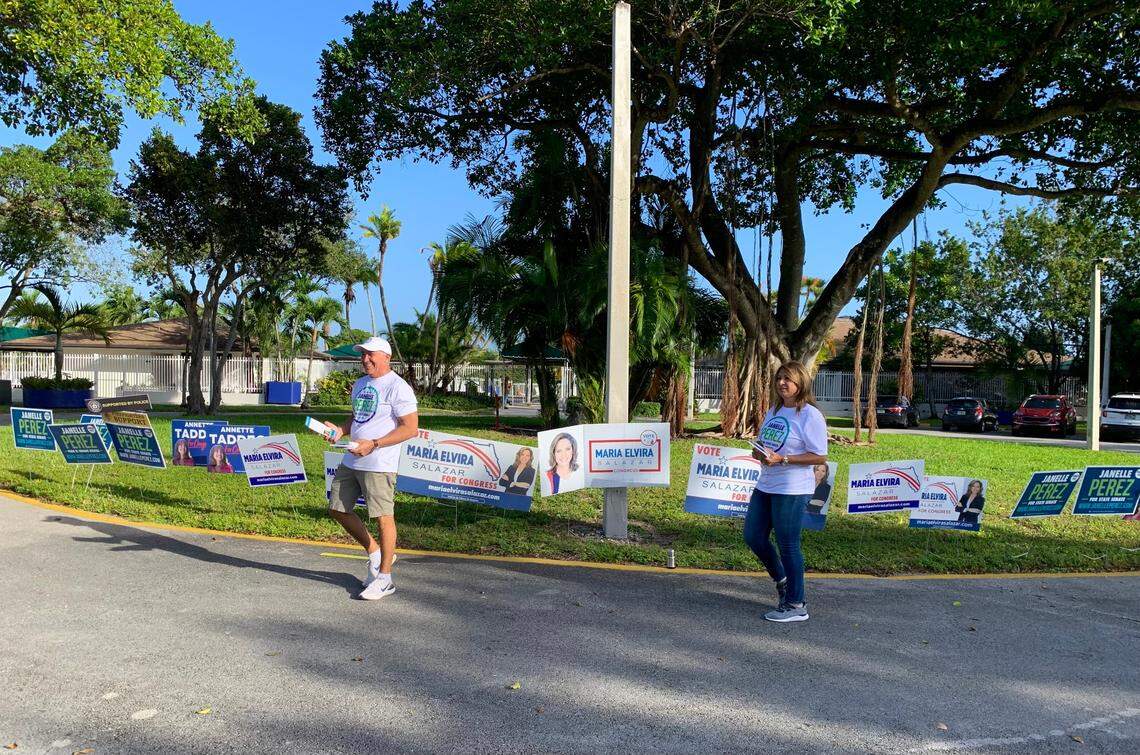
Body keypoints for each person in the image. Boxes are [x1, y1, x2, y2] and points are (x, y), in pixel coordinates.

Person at [323, 336, 418, 601]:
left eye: (370, 354)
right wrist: (340, 430)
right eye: (363, 355)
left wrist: (374, 444)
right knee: (337, 509)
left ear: (386, 357)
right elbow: (357, 417)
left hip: (379, 462)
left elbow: (410, 428)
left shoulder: (398, 387)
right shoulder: (361, 384)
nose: (365, 359)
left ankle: (385, 578)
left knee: (383, 517)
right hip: (352, 458)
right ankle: (374, 552)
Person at [744, 361, 828, 623]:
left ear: (801, 382)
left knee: (788, 544)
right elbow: (767, 442)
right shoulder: (775, 409)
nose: (782, 383)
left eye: (788, 379)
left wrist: (784, 459)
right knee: (753, 536)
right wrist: (759, 451)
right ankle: (782, 579)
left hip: (792, 489)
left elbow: (819, 455)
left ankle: (796, 604)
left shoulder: (810, 415)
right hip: (766, 484)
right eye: (779, 378)